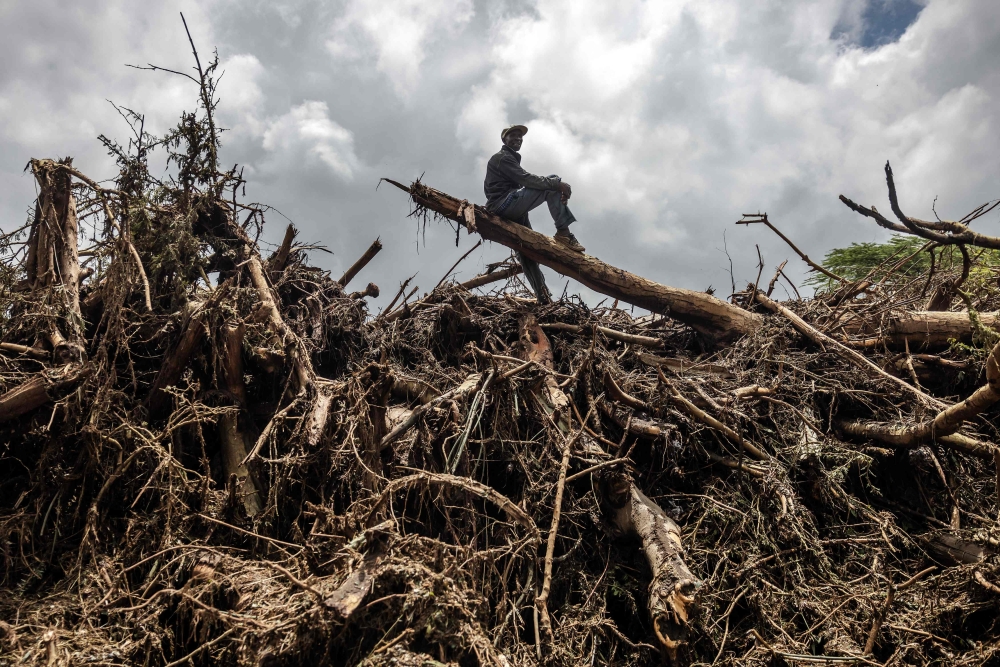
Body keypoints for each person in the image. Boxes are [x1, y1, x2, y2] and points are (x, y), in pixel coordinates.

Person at [483, 124, 584, 304]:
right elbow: (525, 179)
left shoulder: (510, 158)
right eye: (513, 135)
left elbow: (523, 182)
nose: (518, 138)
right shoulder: (502, 158)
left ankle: (542, 296)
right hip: (501, 206)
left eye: (520, 136)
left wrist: (554, 189)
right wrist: (557, 186)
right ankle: (564, 233)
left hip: (509, 205)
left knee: (526, 249)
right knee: (552, 180)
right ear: (503, 140)